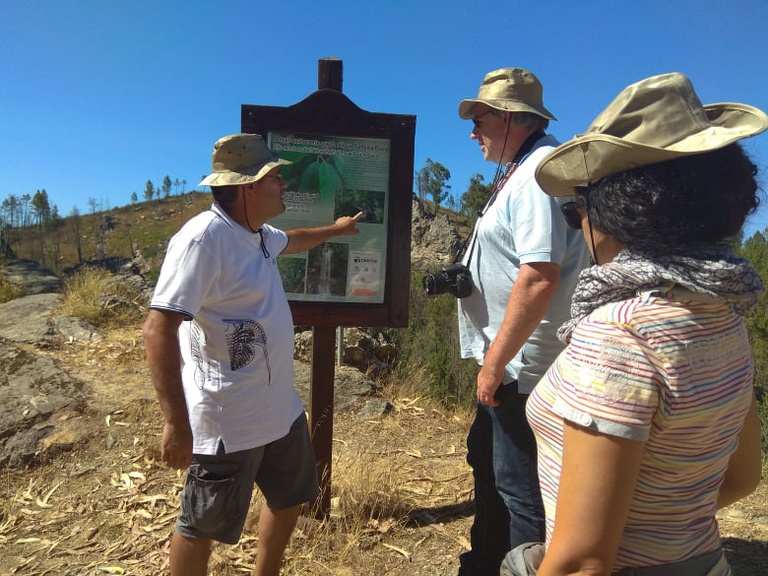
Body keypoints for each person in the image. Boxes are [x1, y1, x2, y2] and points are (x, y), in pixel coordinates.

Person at [505, 72, 767, 576]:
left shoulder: (619, 334)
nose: (578, 224)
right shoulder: (724, 312)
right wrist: (664, 522)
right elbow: (742, 477)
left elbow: (583, 561)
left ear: (614, 211)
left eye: (575, 209)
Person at [142, 133, 362, 576]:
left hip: (279, 410)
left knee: (290, 497)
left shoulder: (257, 233)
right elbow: (158, 326)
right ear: (248, 187)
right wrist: (175, 422)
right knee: (201, 526)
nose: (283, 184)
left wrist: (336, 231)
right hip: (228, 419)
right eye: (276, 177)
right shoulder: (203, 240)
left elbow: (295, 239)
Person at [455, 67, 590, 575]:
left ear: (510, 118)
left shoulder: (535, 173)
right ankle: (486, 561)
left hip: (523, 368)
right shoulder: (524, 169)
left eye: (481, 119)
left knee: (521, 491)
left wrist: (495, 362)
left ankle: (524, 566)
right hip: (512, 363)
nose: (473, 132)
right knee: (490, 470)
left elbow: (539, 275)